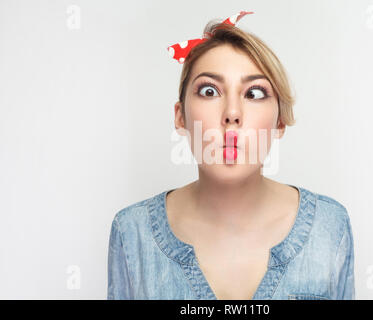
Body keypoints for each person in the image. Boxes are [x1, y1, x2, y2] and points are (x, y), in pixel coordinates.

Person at [108, 11, 355, 300]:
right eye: (210, 90)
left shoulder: (330, 226)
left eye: (254, 93)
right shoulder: (131, 233)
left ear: (280, 122)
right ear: (181, 117)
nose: (232, 114)